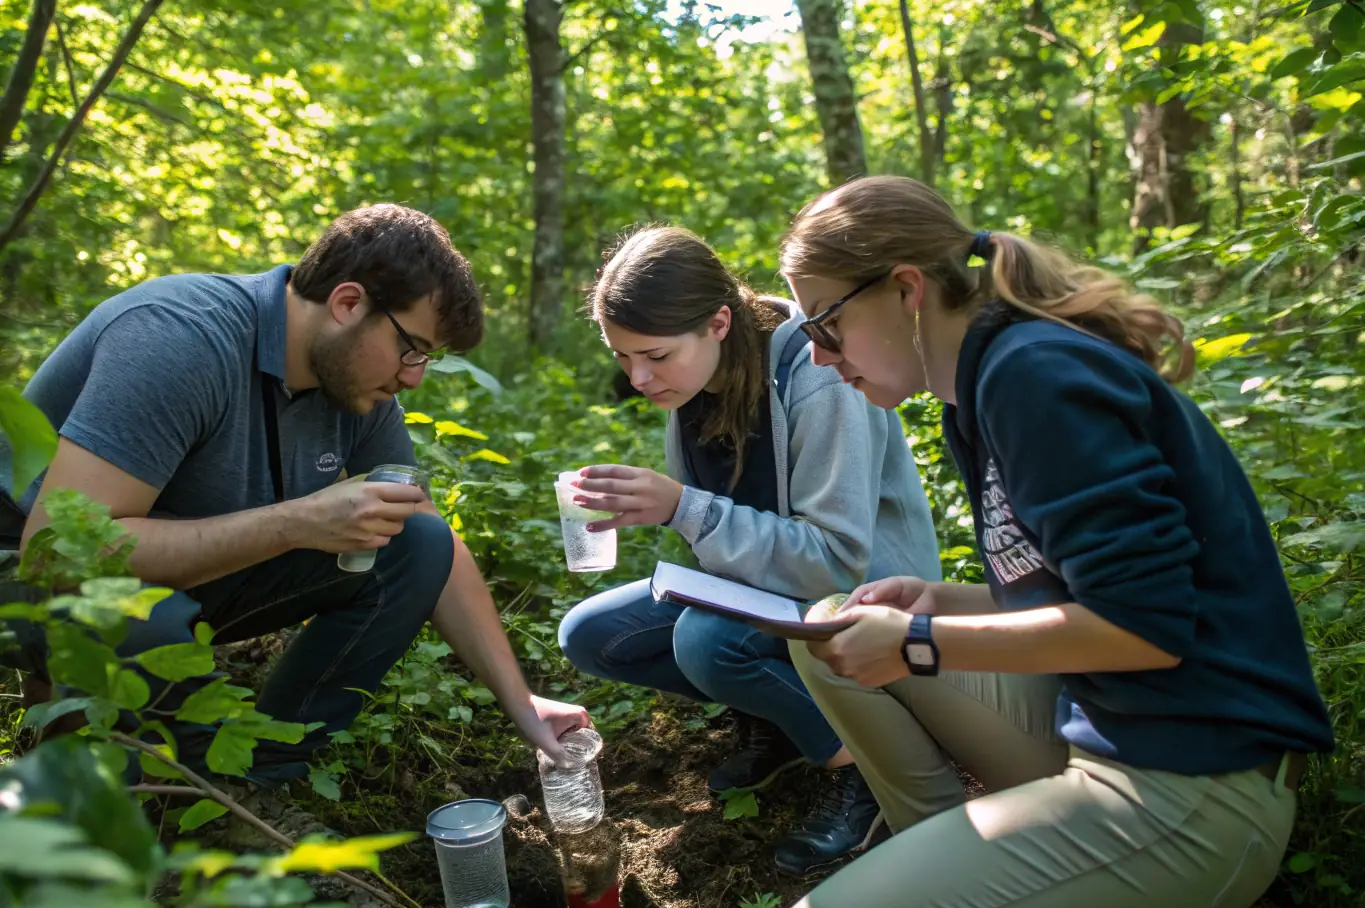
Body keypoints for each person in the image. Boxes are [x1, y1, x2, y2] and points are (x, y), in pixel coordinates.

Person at [768, 176, 1336, 908]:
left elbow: (1143, 629)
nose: (816, 353)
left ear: (904, 289)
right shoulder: (981, 388)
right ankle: (960, 889)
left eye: (823, 322)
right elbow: (1078, 594)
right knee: (826, 632)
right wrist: (941, 600)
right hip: (1106, 737)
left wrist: (920, 640)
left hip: (1196, 798)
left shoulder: (1035, 376)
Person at [1, 203, 589, 798]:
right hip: (26, 573)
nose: (415, 377)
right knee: (143, 617)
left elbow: (434, 543)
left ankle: (260, 780)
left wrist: (523, 703)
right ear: (348, 303)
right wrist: (295, 524)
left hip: (175, 578)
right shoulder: (179, 339)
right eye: (412, 348)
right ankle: (137, 794)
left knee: (418, 542)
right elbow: (56, 555)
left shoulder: (355, 390)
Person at [556, 225, 942, 874]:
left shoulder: (814, 376)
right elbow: (727, 534)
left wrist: (681, 506)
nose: (638, 378)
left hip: (866, 590)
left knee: (705, 643)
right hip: (776, 587)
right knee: (591, 635)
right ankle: (783, 722)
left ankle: (866, 767)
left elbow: (833, 557)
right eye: (623, 358)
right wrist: (655, 511)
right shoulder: (692, 387)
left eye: (653, 355)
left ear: (717, 322)